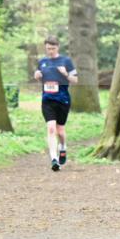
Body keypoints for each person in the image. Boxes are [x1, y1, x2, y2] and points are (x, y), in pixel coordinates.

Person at [34, 36, 78, 172]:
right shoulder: (42, 62)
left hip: (63, 100)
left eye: (53, 48)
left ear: (57, 47)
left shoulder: (66, 61)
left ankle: (63, 147)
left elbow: (75, 80)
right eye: (48, 49)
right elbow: (39, 77)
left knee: (60, 131)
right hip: (47, 100)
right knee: (51, 128)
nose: (50, 51)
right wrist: (37, 76)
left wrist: (65, 74)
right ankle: (54, 159)